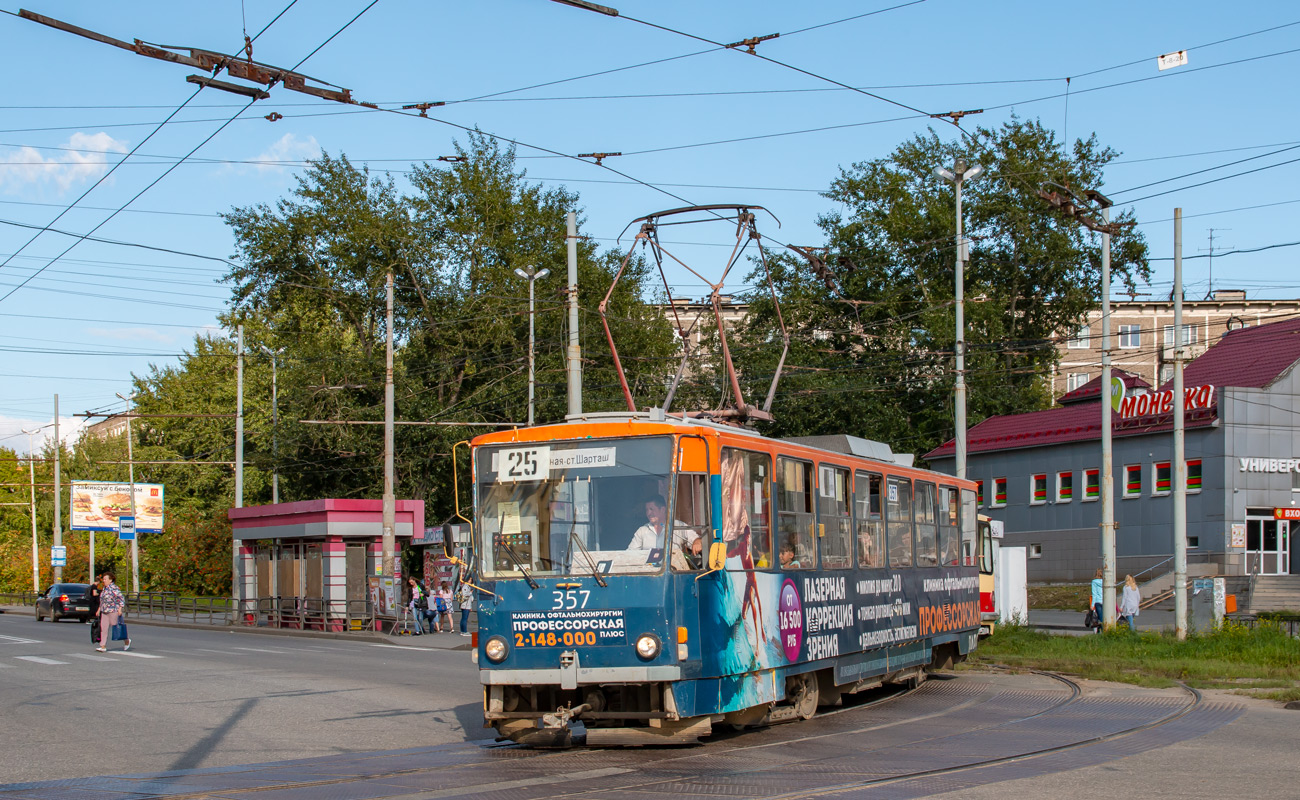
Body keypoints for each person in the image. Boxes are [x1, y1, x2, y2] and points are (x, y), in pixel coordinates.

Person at [628, 495, 698, 555]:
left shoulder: (678, 525)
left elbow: (696, 539)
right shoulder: (642, 530)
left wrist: (697, 542)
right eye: (647, 510)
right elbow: (630, 554)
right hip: (650, 569)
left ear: (663, 509)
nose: (648, 513)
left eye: (651, 509)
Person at [97, 572, 128, 652]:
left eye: (105, 579)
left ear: (110, 580)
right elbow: (102, 600)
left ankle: (126, 640)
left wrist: (120, 608)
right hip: (104, 611)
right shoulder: (104, 588)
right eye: (103, 579)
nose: (104, 581)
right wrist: (99, 609)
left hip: (113, 610)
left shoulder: (114, 588)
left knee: (116, 627)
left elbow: (121, 598)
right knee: (103, 628)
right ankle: (102, 646)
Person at [85, 575, 102, 646]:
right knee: (92, 610)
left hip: (92, 600)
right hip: (94, 601)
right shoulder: (94, 586)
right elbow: (94, 594)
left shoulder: (92, 586)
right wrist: (99, 593)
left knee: (92, 610)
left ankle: (89, 619)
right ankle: (88, 619)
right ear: (98, 581)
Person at [1090, 568, 1104, 633]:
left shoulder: (1094, 582)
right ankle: (1101, 631)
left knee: (1100, 618)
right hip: (1105, 601)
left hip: (1098, 602)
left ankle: (1101, 631)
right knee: (1104, 617)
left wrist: (1092, 605)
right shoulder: (1105, 582)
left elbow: (1094, 594)